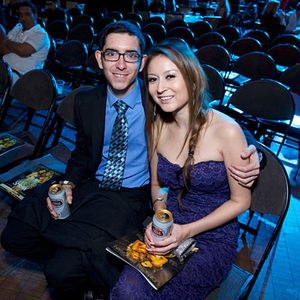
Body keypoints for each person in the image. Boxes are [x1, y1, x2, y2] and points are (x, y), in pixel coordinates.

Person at [1, 21, 259, 299]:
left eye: (131, 56)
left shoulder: (159, 105)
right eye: (112, 54)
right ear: (100, 58)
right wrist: (68, 182)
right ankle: (87, 262)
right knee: (16, 234)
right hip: (94, 187)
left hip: (131, 198)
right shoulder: (89, 101)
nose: (121, 64)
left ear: (141, 61)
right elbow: (82, 153)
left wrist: (256, 158)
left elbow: (213, 125)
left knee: (62, 270)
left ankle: (85, 263)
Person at [110, 39, 252, 299]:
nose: (160, 88)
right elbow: (156, 185)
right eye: (152, 80)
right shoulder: (158, 126)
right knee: (128, 289)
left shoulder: (227, 130)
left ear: (191, 77)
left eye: (170, 76)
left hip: (211, 238)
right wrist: (160, 216)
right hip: (169, 226)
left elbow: (241, 201)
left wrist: (186, 231)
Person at [0, 1, 50, 86]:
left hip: (21, 77)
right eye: (21, 15)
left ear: (35, 15)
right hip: (4, 69)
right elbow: (2, 50)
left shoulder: (41, 34)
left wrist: (7, 42)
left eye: (27, 14)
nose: (23, 18)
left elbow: (22, 51)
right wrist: (16, 47)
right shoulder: (18, 27)